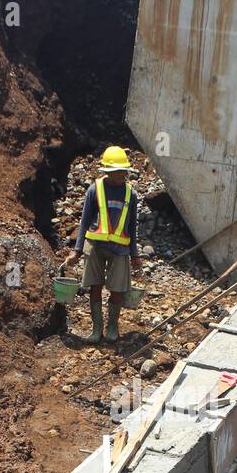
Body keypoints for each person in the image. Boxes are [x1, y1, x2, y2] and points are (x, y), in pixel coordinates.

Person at [61, 146, 144, 344]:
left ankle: (112, 326)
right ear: (107, 172)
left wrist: (135, 255)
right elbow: (84, 221)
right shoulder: (95, 190)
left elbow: (132, 227)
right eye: (116, 172)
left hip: (120, 249)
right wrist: (77, 251)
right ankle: (97, 328)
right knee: (95, 286)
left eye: (123, 171)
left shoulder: (130, 194)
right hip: (96, 245)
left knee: (117, 289)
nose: (121, 175)